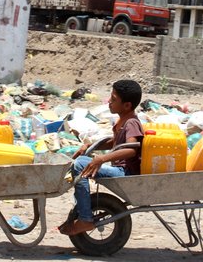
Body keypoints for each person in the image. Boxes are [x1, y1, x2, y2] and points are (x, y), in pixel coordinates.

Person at [59, 79, 144, 236]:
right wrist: (91, 146)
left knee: (79, 166)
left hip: (125, 173)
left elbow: (132, 149)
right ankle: (80, 210)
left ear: (127, 105)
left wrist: (102, 159)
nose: (109, 102)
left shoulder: (131, 122)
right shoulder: (123, 120)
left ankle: (85, 218)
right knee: (81, 162)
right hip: (119, 169)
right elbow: (115, 142)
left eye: (113, 99)